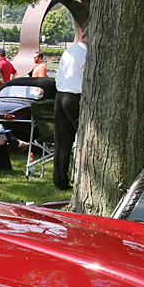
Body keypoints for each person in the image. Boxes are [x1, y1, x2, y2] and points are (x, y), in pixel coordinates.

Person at [53, 29, 88, 191]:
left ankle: (60, 179)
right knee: (85, 138)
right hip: (75, 97)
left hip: (61, 96)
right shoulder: (86, 54)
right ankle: (83, 177)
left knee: (62, 141)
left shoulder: (69, 51)